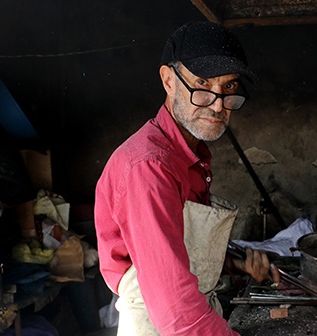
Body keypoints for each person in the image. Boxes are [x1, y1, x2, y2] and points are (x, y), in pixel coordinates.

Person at [94, 21, 280, 335]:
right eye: (203, 84)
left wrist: (232, 264)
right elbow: (176, 313)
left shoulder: (187, 155)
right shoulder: (150, 167)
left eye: (229, 87)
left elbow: (178, 247)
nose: (219, 104)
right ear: (168, 80)